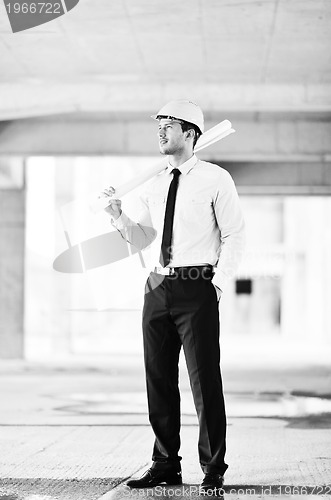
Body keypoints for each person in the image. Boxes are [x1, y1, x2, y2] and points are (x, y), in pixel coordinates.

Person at [103, 100, 245, 496]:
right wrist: (118, 216)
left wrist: (217, 284)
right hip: (156, 286)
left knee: (204, 381)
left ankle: (213, 468)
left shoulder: (217, 179)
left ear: (191, 133)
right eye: (159, 125)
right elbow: (143, 239)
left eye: (169, 125)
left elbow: (234, 234)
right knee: (158, 380)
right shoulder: (153, 183)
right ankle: (165, 463)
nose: (161, 131)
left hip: (197, 286)